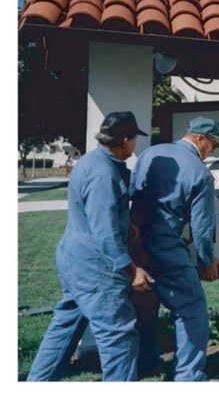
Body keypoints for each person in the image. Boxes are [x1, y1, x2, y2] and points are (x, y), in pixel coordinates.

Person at [27, 112, 154, 381]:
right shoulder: (102, 175)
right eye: (134, 139)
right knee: (119, 333)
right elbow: (105, 233)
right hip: (96, 267)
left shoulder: (94, 161)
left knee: (66, 324)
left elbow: (108, 211)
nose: (135, 146)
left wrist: (125, 221)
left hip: (74, 260)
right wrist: (132, 270)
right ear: (125, 140)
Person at [130, 116, 219, 381]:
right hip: (167, 246)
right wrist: (207, 260)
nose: (212, 151)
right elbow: (202, 228)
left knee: (145, 308)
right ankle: (188, 377)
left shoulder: (150, 153)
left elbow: (134, 194)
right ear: (200, 139)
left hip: (137, 246)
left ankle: (147, 363)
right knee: (191, 309)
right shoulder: (200, 172)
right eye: (213, 145)